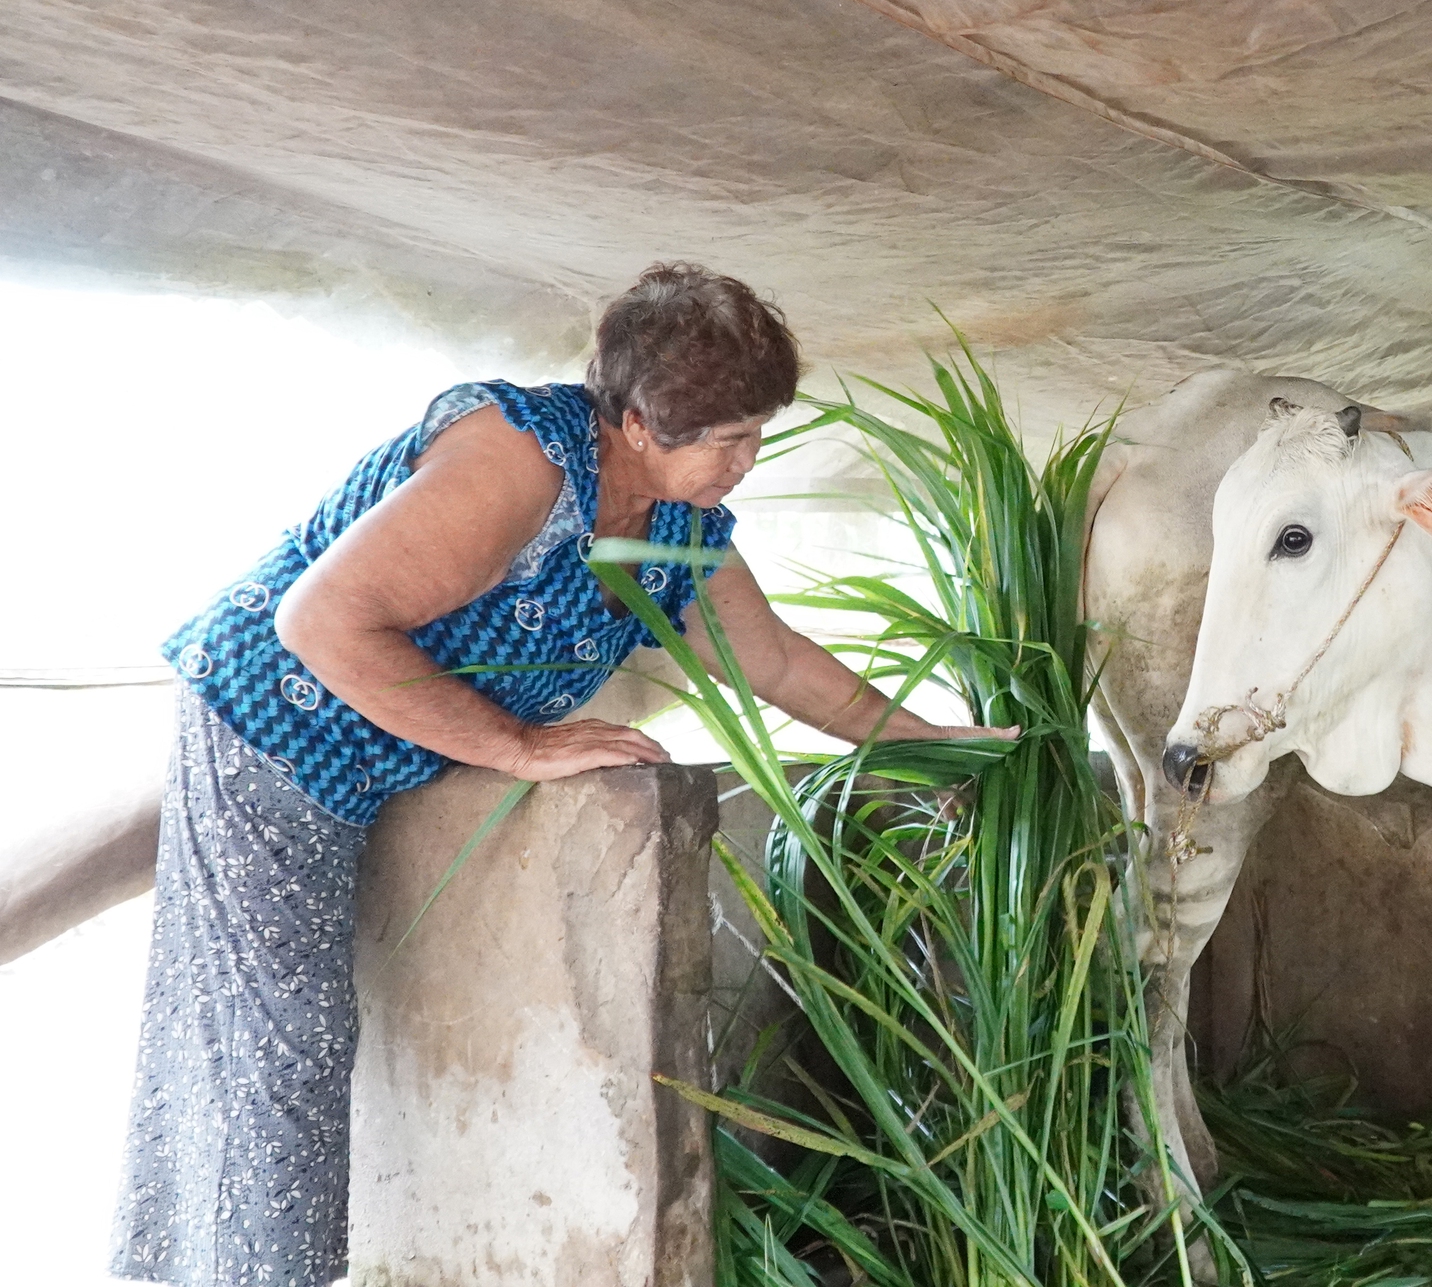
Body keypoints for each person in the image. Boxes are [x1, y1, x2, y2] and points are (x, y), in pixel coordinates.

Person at [110, 263, 1005, 1287]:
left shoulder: (679, 526)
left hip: (376, 755)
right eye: (726, 438)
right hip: (269, 726)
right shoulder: (516, 464)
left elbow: (780, 662)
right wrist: (521, 747)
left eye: (755, 433)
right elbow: (317, 620)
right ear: (636, 421)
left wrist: (931, 737)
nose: (746, 462)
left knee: (273, 1033)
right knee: (284, 1040)